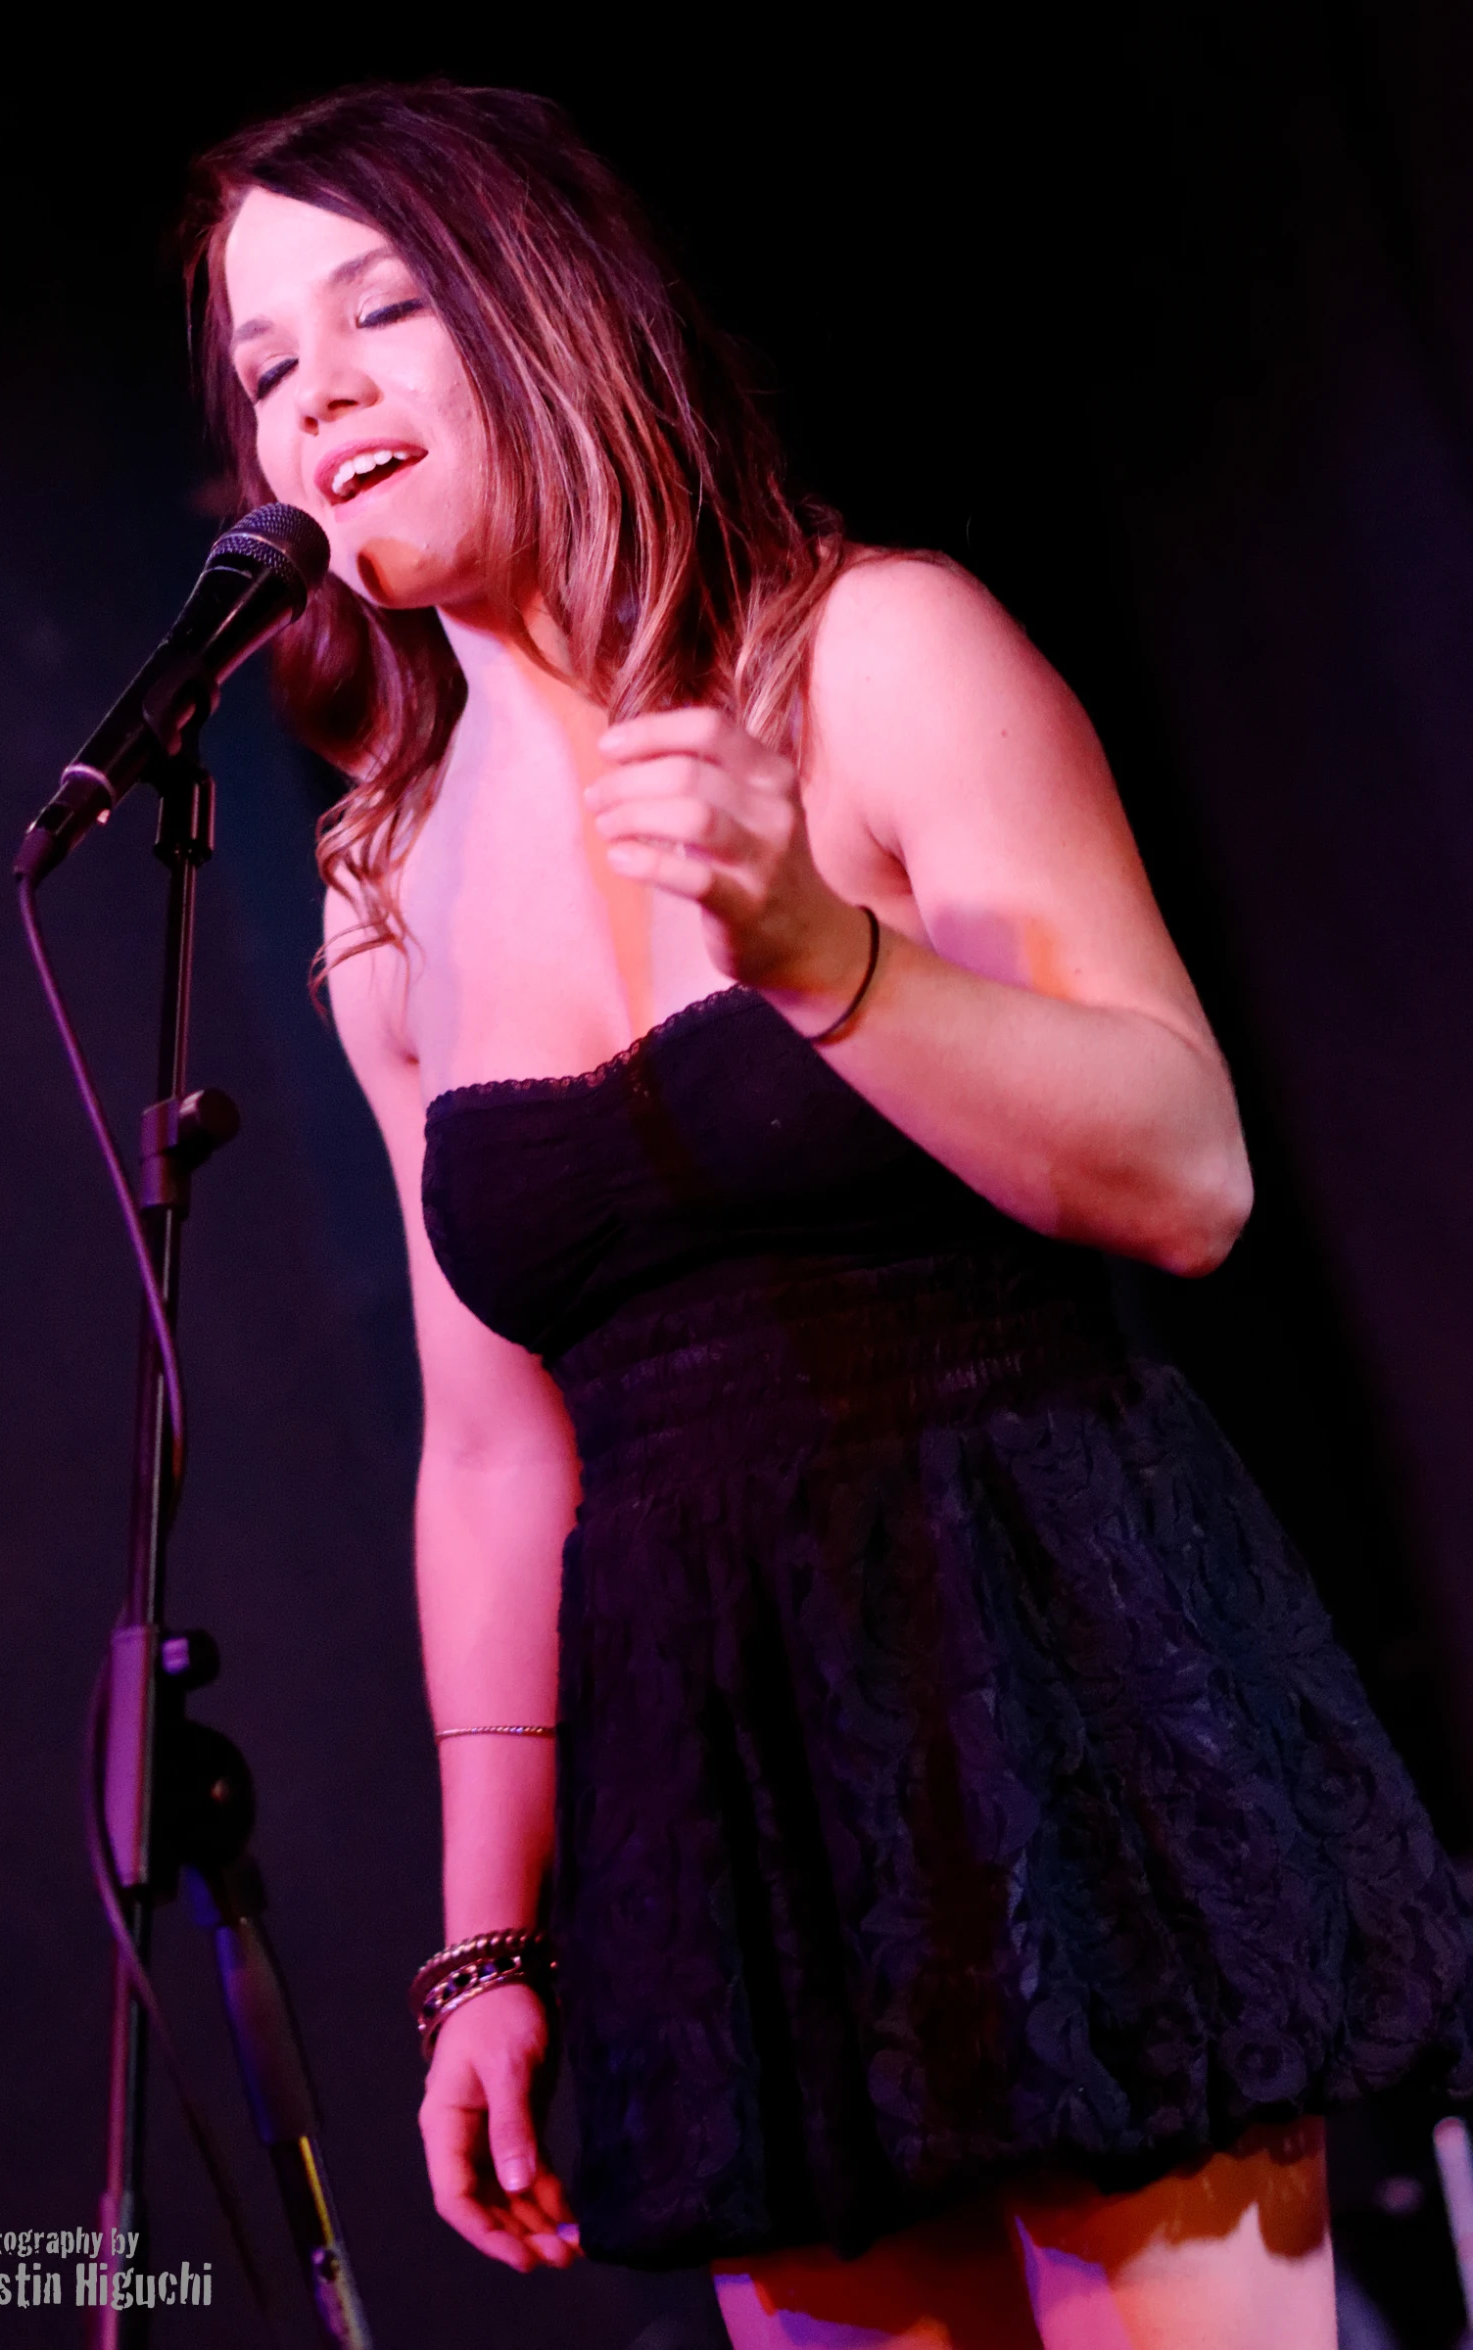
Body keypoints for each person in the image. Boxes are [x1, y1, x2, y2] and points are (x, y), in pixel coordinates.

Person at [185, 80, 1473, 2349]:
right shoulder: (377, 895)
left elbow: (1188, 1173)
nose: (324, 393)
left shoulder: (869, 652)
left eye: (382, 306)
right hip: (724, 1776)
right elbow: (492, 1452)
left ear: (547, 309)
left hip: (1049, 1653)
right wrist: (488, 1946)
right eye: (272, 363)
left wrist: (827, 959)